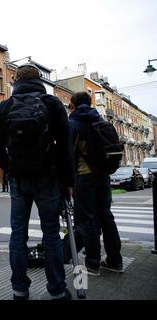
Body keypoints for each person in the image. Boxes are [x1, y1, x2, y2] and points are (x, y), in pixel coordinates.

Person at [0, 63, 73, 300]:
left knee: (18, 234)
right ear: (40, 80)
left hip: (19, 179)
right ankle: (57, 290)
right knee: (51, 233)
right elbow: (66, 146)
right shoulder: (52, 104)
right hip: (48, 176)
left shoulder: (5, 106)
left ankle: (19, 289)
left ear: (15, 80)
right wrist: (67, 181)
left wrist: (11, 169)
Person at [68, 92, 123, 275]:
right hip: (103, 175)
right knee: (106, 216)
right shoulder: (101, 121)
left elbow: (68, 154)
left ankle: (92, 263)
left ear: (73, 105)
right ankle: (115, 261)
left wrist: (67, 181)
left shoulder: (74, 123)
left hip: (84, 177)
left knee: (88, 220)